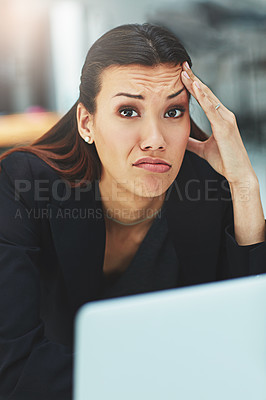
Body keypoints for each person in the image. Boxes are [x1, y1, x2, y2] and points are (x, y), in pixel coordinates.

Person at [0, 22, 265, 400]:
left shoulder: (209, 185)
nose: (156, 140)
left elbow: (255, 341)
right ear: (87, 123)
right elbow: (14, 368)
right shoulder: (21, 186)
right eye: (128, 111)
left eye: (173, 112)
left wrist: (245, 185)